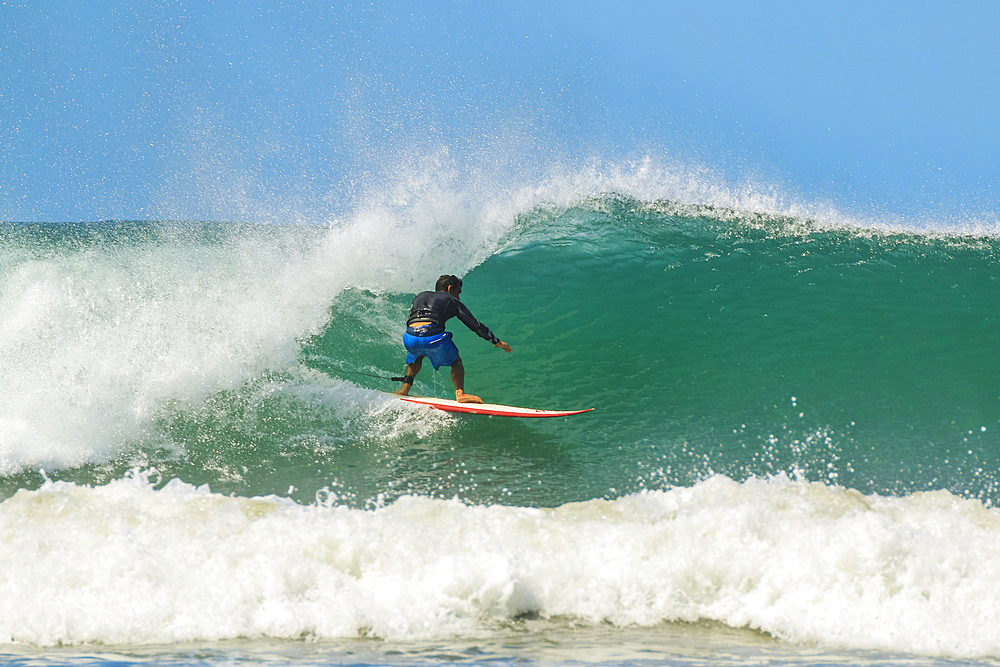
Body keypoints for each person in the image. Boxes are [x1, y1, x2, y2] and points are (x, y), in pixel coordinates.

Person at [395, 274, 512, 403]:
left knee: (415, 359)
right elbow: (475, 326)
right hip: (433, 336)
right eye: (458, 292)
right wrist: (496, 341)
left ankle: (404, 389)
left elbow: (413, 319)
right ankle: (460, 393)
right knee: (456, 362)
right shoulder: (451, 300)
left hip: (409, 336)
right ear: (450, 288)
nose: (458, 297)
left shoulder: (419, 296)